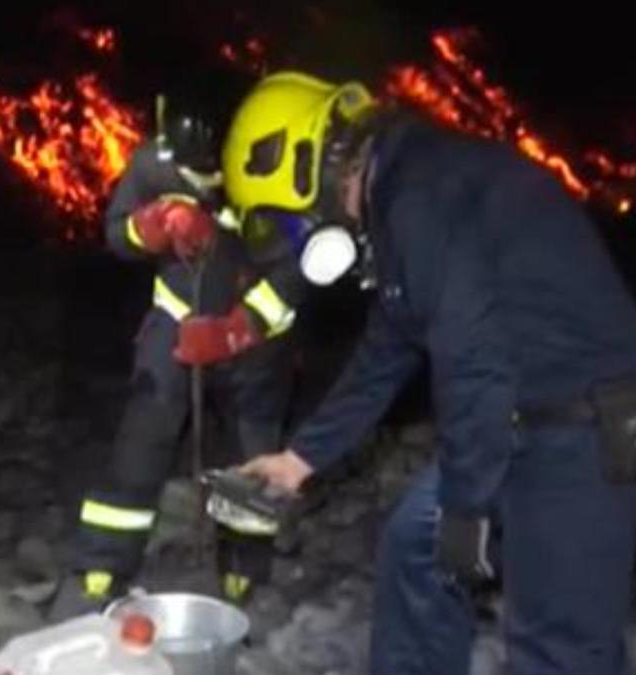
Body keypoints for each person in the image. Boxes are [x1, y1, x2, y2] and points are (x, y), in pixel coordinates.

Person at [211, 71, 636, 675]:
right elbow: (389, 348)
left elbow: (474, 358)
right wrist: (299, 460)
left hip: (582, 428)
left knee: (558, 647)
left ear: (312, 168)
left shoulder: (421, 193)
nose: (297, 236)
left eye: (288, 221)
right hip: (520, 413)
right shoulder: (402, 192)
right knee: (417, 546)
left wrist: (468, 507)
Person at [53, 71, 307, 617]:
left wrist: (235, 331)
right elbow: (116, 232)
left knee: (252, 447)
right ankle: (104, 562)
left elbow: (296, 273)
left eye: (209, 173)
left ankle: (243, 566)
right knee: (143, 436)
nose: (200, 181)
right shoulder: (154, 162)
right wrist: (151, 228)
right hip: (176, 320)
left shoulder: (274, 168)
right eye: (190, 172)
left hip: (255, 333)